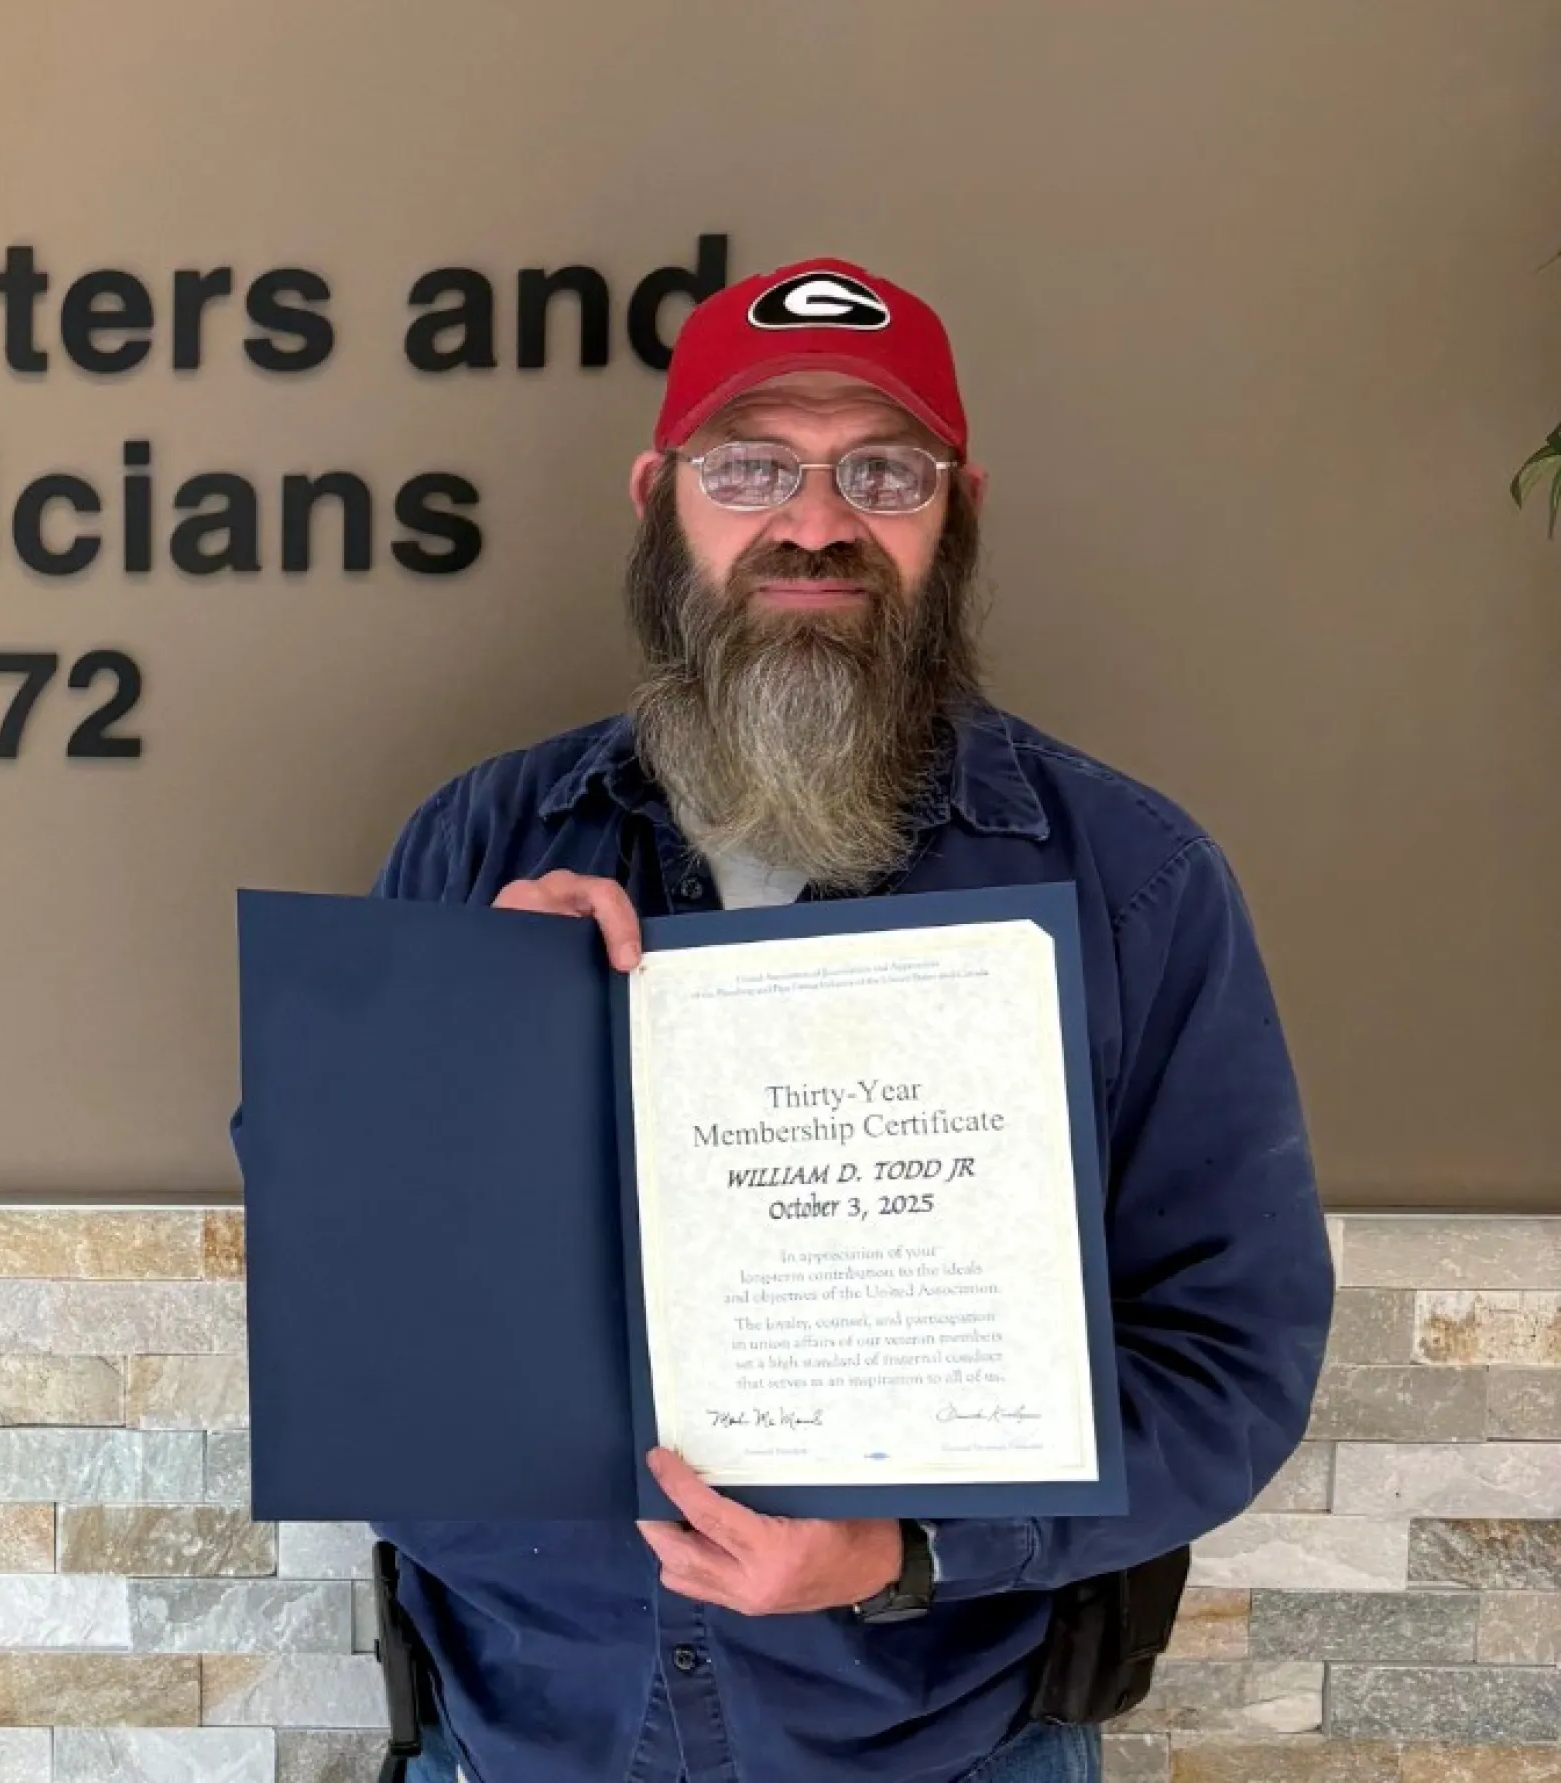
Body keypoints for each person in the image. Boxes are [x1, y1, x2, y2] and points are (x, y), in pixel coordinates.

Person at [363, 258, 1334, 1783]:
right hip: (519, 1732)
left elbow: (1228, 1352)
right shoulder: (473, 845)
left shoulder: (1134, 883)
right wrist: (458, 1043)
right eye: (750, 466)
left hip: (942, 1744)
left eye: (883, 471)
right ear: (656, 497)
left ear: (961, 509)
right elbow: (346, 1275)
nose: (815, 521)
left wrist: (912, 1548)